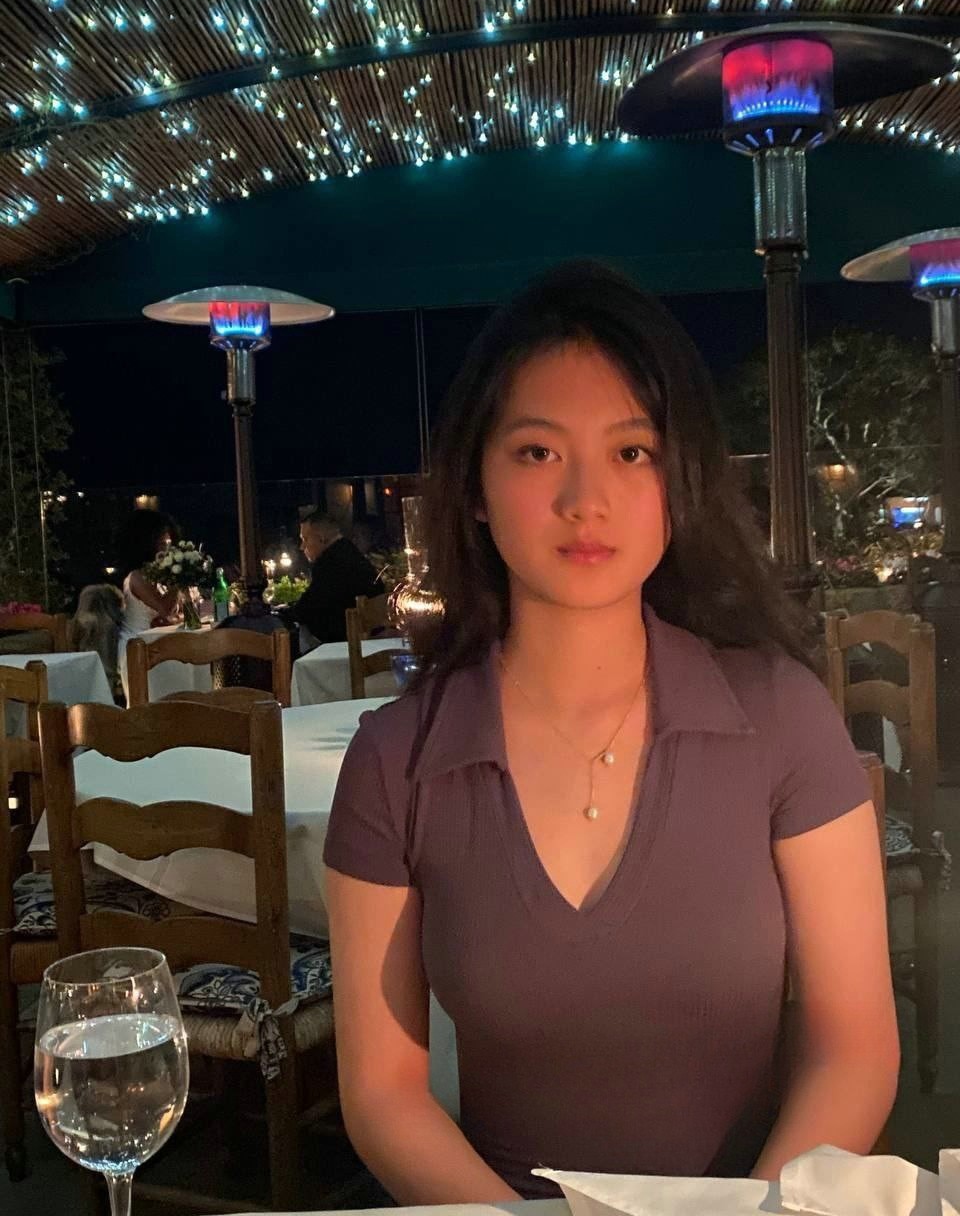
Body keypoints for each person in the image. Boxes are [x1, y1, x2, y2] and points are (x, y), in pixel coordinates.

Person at [322, 262, 898, 1205]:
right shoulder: (396, 762)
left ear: (680, 480)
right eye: (537, 452)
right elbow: (384, 1095)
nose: (585, 499)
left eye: (632, 452)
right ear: (475, 487)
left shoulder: (782, 719)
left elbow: (855, 1047)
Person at [284, 510, 384, 644]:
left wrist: (286, 614)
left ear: (321, 538)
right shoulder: (349, 552)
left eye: (305, 539)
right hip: (372, 638)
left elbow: (308, 608)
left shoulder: (330, 563)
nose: (302, 547)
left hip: (347, 642)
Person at [115, 509, 179, 697]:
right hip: (137, 647)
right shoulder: (137, 577)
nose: (167, 549)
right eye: (162, 543)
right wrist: (179, 579)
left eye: (169, 543)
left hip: (157, 643)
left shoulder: (159, 577)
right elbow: (164, 608)